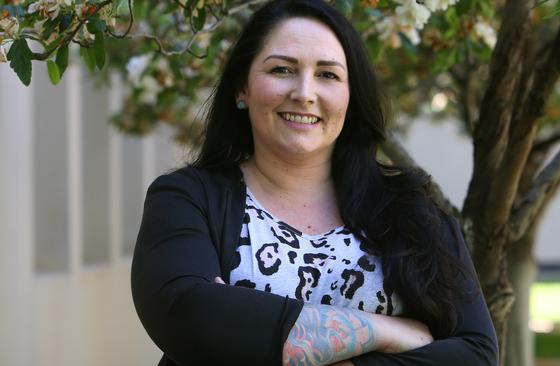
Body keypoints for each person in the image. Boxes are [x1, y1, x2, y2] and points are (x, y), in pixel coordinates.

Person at [131, 0, 498, 365]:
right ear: (242, 87)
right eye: (282, 70)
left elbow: (476, 354)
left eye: (328, 75)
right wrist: (385, 331)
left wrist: (248, 330)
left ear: (351, 98)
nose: (304, 92)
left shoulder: (410, 207)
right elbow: (189, 316)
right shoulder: (187, 198)